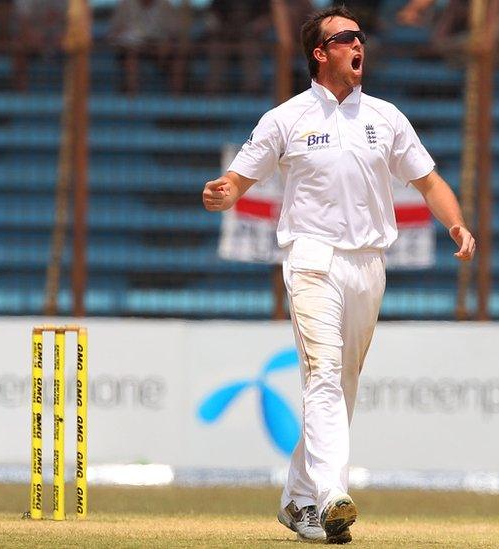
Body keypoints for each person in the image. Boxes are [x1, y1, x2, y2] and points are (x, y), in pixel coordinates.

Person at [201, 6, 475, 544]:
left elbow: (429, 182)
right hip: (311, 259)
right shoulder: (288, 117)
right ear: (320, 54)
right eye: (344, 37)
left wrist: (458, 224)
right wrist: (223, 193)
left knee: (341, 387)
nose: (358, 44)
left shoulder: (386, 117)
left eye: (360, 36)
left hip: (369, 264)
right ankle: (332, 496)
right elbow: (239, 177)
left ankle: (298, 501)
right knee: (323, 377)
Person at [107, 0, 182, 94]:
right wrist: (124, 37)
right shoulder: (125, 4)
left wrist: (166, 43)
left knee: (178, 60)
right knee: (131, 59)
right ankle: (132, 99)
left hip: (157, 47)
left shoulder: (164, 5)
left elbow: (175, 33)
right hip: (132, 48)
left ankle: (177, 100)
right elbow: (112, 35)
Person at [204, 0, 272, 94]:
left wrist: (253, 28)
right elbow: (211, 17)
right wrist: (222, 29)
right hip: (225, 38)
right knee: (216, 47)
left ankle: (253, 90)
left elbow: (267, 18)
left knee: (250, 48)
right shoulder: (219, 3)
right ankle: (213, 90)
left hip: (251, 38)